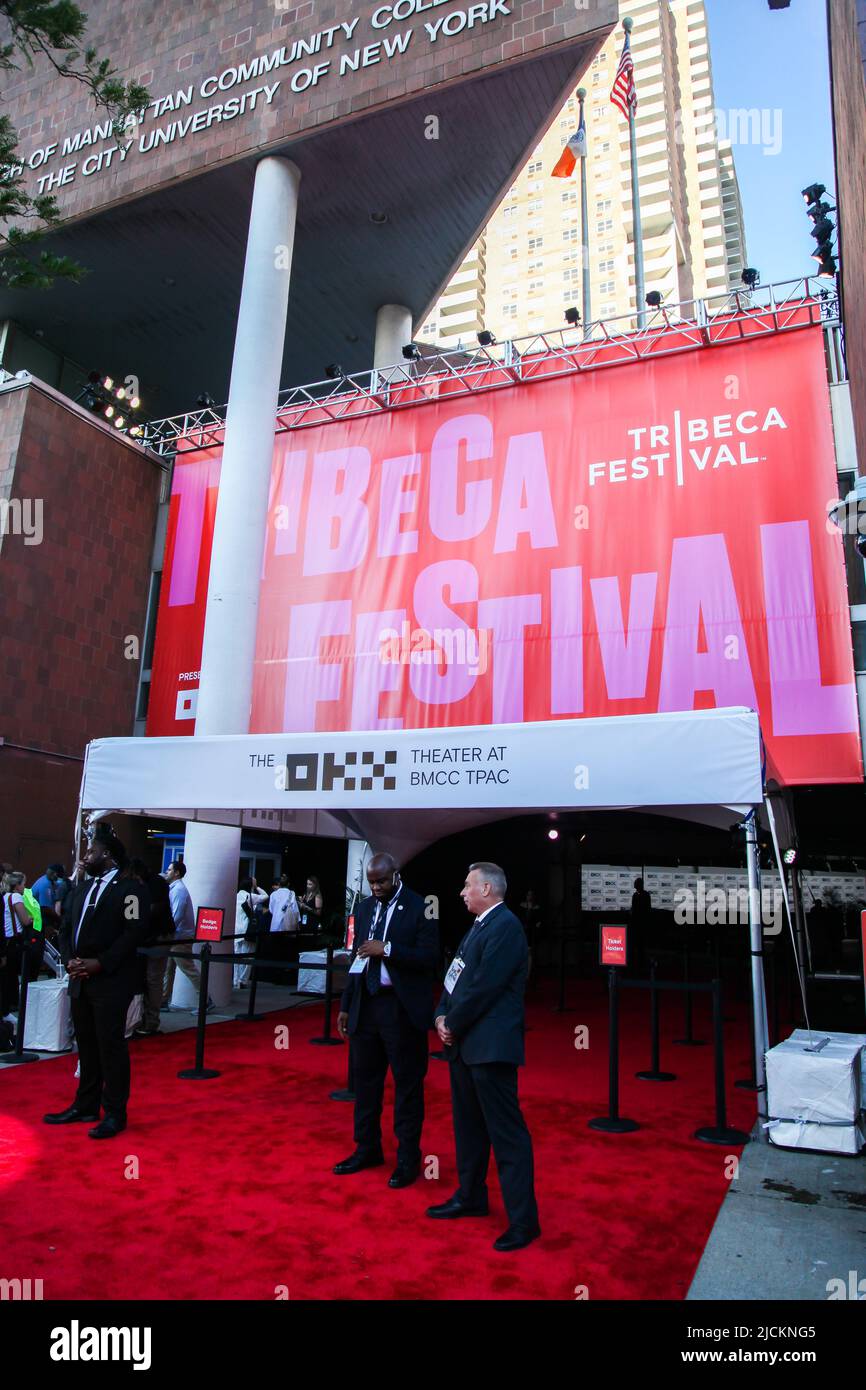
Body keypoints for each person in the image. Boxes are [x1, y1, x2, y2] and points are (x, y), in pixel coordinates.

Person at [429, 862, 540, 1252]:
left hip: (490, 1050)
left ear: (488, 889)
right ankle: (471, 1196)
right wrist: (441, 1014)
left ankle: (524, 1222)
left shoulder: (507, 927)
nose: (462, 892)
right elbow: (454, 977)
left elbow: (483, 987)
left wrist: (452, 1021)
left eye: (467, 885)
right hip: (463, 1047)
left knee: (506, 1135)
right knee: (469, 1129)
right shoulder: (478, 927)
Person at [334, 852, 439, 1189]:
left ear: (396, 874)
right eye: (371, 882)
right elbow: (356, 957)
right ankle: (367, 1149)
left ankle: (408, 1159)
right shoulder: (364, 908)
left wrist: (388, 949)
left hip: (401, 1010)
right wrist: (347, 1004)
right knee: (365, 1084)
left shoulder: (422, 906)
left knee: (407, 1087)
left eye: (381, 880)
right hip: (366, 1005)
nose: (376, 887)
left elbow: (430, 956)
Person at [44, 828, 150, 1138]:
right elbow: (64, 928)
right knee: (86, 1046)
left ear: (106, 855)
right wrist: (69, 961)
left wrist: (100, 963)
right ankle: (85, 1104)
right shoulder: (81, 888)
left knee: (110, 1047)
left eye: (91, 851)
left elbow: (134, 932)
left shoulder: (131, 889)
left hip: (110, 981)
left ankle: (115, 1112)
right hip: (79, 979)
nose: (85, 856)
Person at [127, 858, 173, 1036]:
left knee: (153, 979)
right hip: (147, 937)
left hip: (157, 936)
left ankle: (151, 1021)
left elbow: (155, 909)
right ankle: (143, 1019)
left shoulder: (156, 884)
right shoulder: (146, 884)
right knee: (147, 979)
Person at [162, 859, 212, 1011]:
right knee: (168, 969)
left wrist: (165, 933)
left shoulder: (178, 891)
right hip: (176, 937)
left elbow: (176, 916)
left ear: (177, 873)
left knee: (189, 969)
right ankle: (164, 1000)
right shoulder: (175, 889)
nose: (167, 872)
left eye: (169, 870)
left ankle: (206, 1001)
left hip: (180, 937)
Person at [1, 871, 36, 1016]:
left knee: (7, 974)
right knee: (13, 974)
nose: (25, 887)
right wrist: (33, 918)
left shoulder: (4, 896)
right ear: (17, 886)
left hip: (6, 939)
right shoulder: (16, 897)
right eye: (23, 884)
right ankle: (13, 1004)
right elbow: (25, 920)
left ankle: (7, 1004)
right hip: (14, 940)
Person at [234, 876, 267, 988]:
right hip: (246, 930)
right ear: (250, 886)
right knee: (248, 956)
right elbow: (265, 896)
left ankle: (236, 981)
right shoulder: (250, 896)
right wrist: (257, 887)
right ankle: (243, 980)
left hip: (235, 931)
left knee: (236, 957)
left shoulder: (235, 896)